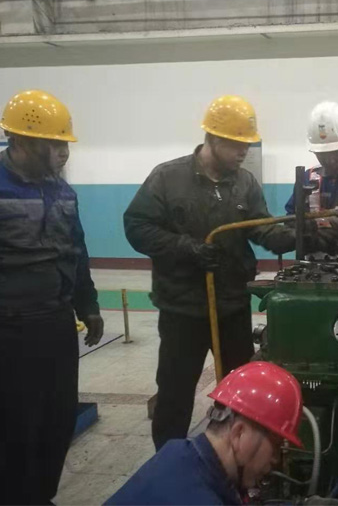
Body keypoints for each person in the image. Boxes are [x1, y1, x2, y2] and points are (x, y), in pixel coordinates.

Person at [124, 95, 297, 451]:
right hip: (182, 310)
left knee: (239, 394)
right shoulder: (167, 178)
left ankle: (234, 457)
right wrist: (185, 248)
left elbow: (261, 228)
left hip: (231, 307)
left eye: (247, 145)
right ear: (213, 138)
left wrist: (300, 235)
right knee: (175, 393)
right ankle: (169, 461)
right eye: (237, 144)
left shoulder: (245, 183)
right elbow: (137, 226)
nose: (244, 152)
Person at [0, 89, 104, 504]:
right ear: (22, 141)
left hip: (56, 325)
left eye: (65, 144)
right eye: (54, 143)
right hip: (9, 331)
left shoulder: (63, 192)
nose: (63, 152)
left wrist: (88, 305)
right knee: (15, 426)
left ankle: (40, 496)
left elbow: (76, 251)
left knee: (57, 420)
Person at [106, 362, 303, 505]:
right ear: (239, 434)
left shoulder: (177, 451)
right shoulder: (199, 498)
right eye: (275, 445)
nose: (275, 460)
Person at [285, 101, 338, 254]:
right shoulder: (307, 179)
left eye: (336, 153)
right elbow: (290, 219)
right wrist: (301, 228)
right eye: (322, 155)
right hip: (312, 263)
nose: (330, 161)